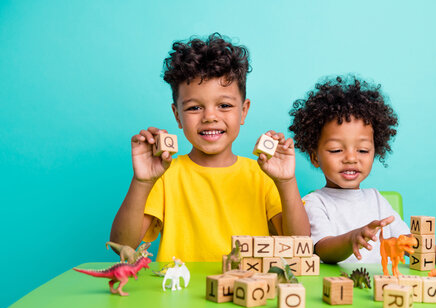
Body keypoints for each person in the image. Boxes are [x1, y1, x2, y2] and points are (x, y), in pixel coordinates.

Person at [110, 33, 309, 262]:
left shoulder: (263, 175)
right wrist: (142, 182)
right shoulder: (164, 175)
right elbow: (122, 246)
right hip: (181, 294)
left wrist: (286, 182)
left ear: (243, 111)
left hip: (246, 291)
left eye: (224, 105)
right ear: (177, 115)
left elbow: (299, 247)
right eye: (195, 108)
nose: (210, 117)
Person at [289, 75, 436, 269]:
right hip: (339, 289)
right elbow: (322, 248)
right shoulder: (314, 202)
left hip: (380, 289)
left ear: (376, 151)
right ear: (315, 157)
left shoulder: (375, 199)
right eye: (336, 150)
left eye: (363, 150)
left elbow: (408, 241)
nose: (351, 158)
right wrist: (352, 239)